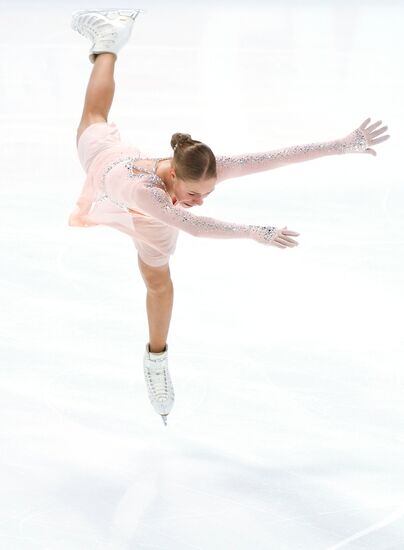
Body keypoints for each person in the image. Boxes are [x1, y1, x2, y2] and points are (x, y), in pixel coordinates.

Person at [69, 9, 390, 426]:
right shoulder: (147, 193)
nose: (201, 200)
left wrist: (340, 145)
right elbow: (193, 225)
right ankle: (108, 41)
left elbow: (271, 158)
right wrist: (254, 231)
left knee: (155, 276)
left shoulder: (199, 166)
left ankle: (156, 358)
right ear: (172, 175)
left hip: (134, 177)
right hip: (112, 173)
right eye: (193, 194)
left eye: (208, 192)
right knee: (95, 127)